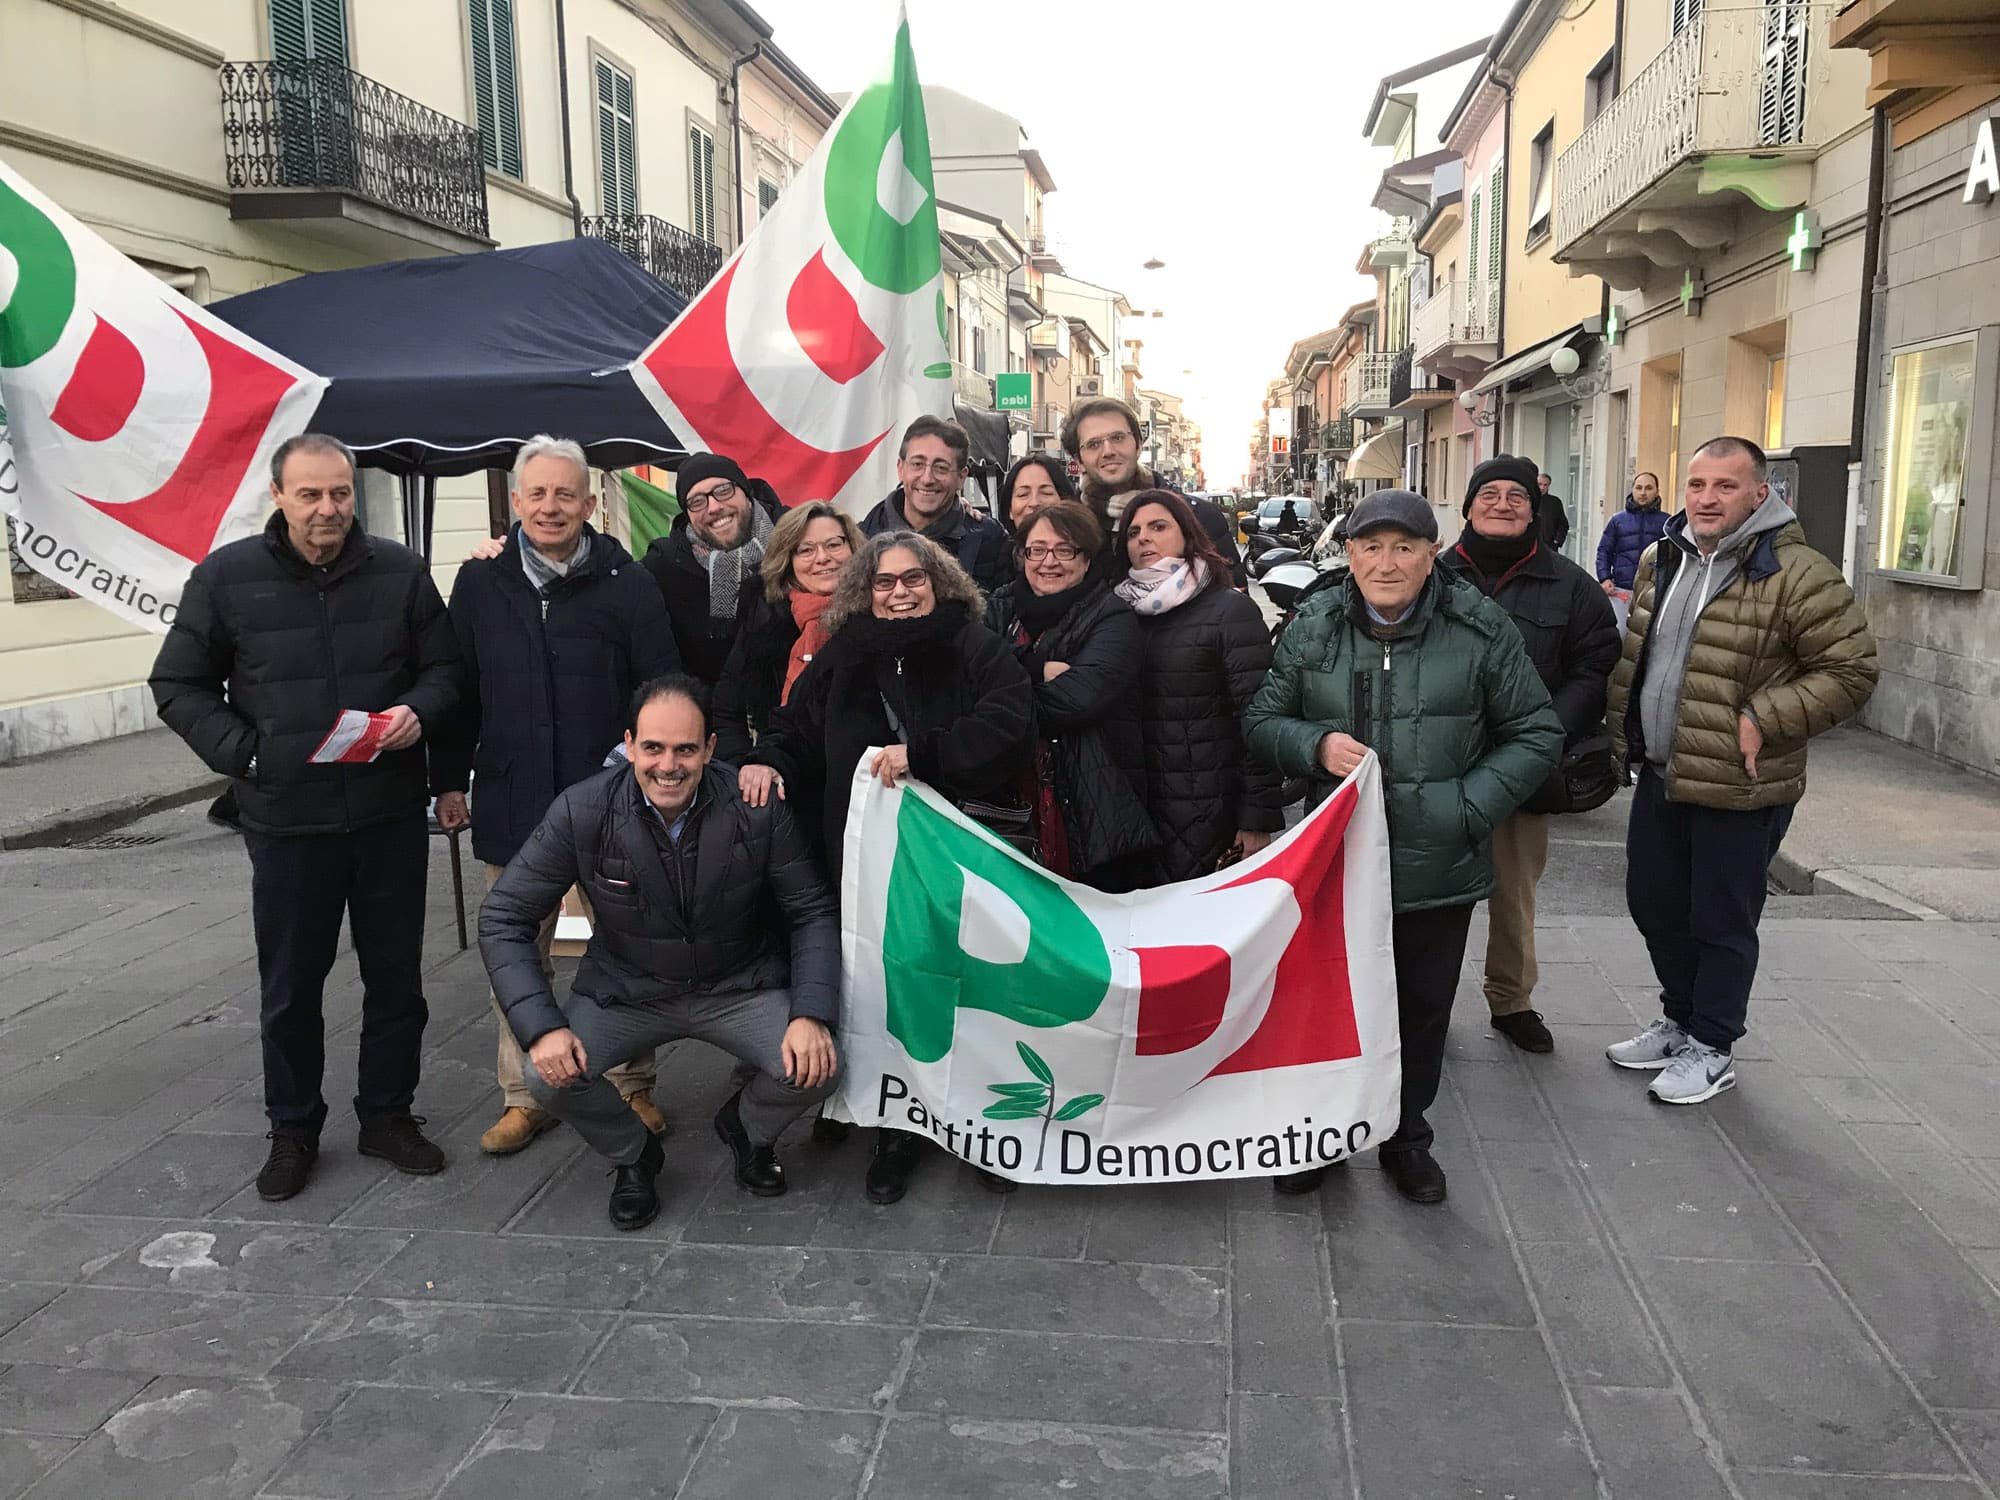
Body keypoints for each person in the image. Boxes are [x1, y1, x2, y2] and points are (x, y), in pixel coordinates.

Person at [150, 434, 463, 1202]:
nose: (328, 509)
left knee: (397, 981)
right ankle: (292, 1130)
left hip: (387, 813)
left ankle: (387, 1114)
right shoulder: (227, 578)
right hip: (287, 822)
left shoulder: (400, 571)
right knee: (291, 987)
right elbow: (176, 684)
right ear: (280, 496)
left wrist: (420, 713)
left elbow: (448, 669)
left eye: (340, 494)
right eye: (311, 494)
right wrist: (248, 755)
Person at [1245, 489, 1563, 1204]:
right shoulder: (1316, 624)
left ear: (1430, 556)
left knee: (1421, 1008)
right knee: (1328, 1000)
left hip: (1437, 861)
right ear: (1349, 552)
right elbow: (1263, 718)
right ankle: (1321, 1134)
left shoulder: (1478, 628)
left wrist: (1465, 807)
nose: (1386, 563)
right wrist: (1314, 743)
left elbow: (1537, 733)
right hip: (1336, 860)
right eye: (1370, 546)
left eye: (1404, 547)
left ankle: (1405, 1135)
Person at [480, 676, 838, 1229]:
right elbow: (504, 916)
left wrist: (811, 1013)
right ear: (628, 744)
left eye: (685, 749)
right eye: (653, 747)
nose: (668, 764)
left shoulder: (756, 807)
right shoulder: (584, 809)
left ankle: (747, 1127)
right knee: (543, 1073)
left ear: (710, 749)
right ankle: (633, 1155)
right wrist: (542, 1025)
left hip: (737, 984)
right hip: (628, 990)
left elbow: (811, 909)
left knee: (822, 1066)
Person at [740, 531, 1034, 1203]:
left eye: (913, 580)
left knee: (968, 990)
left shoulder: (973, 644)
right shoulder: (844, 653)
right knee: (887, 992)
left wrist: (924, 755)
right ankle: (897, 1128)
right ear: (864, 593)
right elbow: (795, 729)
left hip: (960, 856)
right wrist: (765, 760)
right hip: (871, 862)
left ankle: (979, 1129)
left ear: (939, 583)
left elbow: (1010, 721)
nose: (899, 592)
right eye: (884, 583)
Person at [1605, 436, 1876, 1104]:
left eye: (1726, 486)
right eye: (1697, 485)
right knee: (1653, 901)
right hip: (1663, 770)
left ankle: (1713, 1045)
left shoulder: (1797, 572)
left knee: (1720, 919)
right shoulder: (1658, 558)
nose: (1707, 498)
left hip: (1743, 781)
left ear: (1761, 494)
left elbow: (1853, 668)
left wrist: (1766, 716)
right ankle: (1680, 1020)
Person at [433, 435, 679, 1156]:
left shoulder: (627, 581)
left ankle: (632, 1084)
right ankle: (524, 1094)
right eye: (536, 494)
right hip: (514, 802)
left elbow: (658, 685)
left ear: (590, 502)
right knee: (515, 950)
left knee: (630, 946)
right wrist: (447, 779)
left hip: (612, 803)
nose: (550, 506)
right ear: (515, 503)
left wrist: (647, 774)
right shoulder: (481, 582)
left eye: (564, 494)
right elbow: (460, 689)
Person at [1437, 455, 1621, 1054]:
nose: (1502, 504)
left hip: (1521, 769)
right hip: (1437, 767)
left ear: (1534, 509)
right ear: (1467, 506)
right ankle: (1425, 1002)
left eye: (1516, 495)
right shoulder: (1431, 575)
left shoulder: (1571, 586)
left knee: (1513, 891)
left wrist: (1540, 735)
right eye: (1488, 493)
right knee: (1428, 893)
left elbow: (1593, 668)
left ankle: (1511, 1000)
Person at [985, 502, 1159, 890]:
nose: (1049, 561)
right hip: (1008, 805)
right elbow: (964, 679)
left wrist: (994, 701)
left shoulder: (1110, 615)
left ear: (1086, 558)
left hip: (1092, 810)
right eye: (1037, 549)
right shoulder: (997, 606)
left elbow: (1077, 700)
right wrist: (1036, 670)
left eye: (1064, 550)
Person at [1120, 489, 1284, 883]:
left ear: (1186, 534)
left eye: (1158, 526)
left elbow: (1261, 720)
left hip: (1212, 819)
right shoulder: (1118, 612)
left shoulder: (1228, 610)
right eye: (1133, 531)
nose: (1143, 537)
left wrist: (1256, 819)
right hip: (1138, 817)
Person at [710, 501, 864, 764]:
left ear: (854, 548)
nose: (822, 558)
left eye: (834, 544)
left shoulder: (881, 613)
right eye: (805, 550)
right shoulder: (764, 621)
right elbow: (727, 709)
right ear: (788, 561)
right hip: (783, 778)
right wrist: (745, 768)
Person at [1064, 397, 1246, 585]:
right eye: (1093, 444)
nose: (1108, 451)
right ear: (1079, 461)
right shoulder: (1067, 529)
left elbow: (1234, 601)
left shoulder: (1199, 518)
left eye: (1118, 438)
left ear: (1138, 444)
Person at [640, 452, 782, 684]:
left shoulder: (798, 543)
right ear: (687, 515)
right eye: (697, 502)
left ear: (746, 492)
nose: (714, 507)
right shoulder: (663, 568)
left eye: (723, 490)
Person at [860, 416, 1012, 593]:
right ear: (900, 468)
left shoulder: (992, 542)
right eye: (917, 464)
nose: (927, 479)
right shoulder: (860, 539)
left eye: (941, 468)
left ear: (961, 477)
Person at [1597, 470, 1669, 595]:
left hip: (1653, 591)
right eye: (1638, 488)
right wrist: (1604, 578)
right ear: (1633, 490)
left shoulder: (1667, 522)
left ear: (1657, 492)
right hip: (1621, 589)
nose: (1643, 493)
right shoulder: (1617, 520)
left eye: (1648, 488)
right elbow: (1604, 551)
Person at [996, 451, 1079, 533]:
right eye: (1023, 494)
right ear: (1009, 510)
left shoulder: (1086, 544)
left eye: (1046, 493)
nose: (1034, 503)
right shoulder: (993, 544)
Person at [1536, 471, 1571, 551]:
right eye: (1540, 484)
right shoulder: (1529, 501)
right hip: (1530, 546)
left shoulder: (1555, 502)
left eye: (1545, 485)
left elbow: (1563, 524)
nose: (1542, 488)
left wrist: (1557, 541)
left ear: (1549, 486)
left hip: (1550, 547)